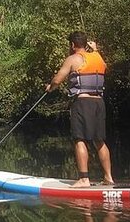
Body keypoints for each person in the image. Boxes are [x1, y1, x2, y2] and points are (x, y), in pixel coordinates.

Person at [45, 31, 114, 187]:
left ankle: (84, 179)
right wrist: (95, 50)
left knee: (79, 139)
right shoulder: (98, 57)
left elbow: (58, 79)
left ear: (72, 45)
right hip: (99, 103)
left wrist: (51, 87)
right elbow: (104, 66)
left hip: (82, 103)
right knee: (99, 140)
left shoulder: (73, 59)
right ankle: (108, 177)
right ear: (86, 43)